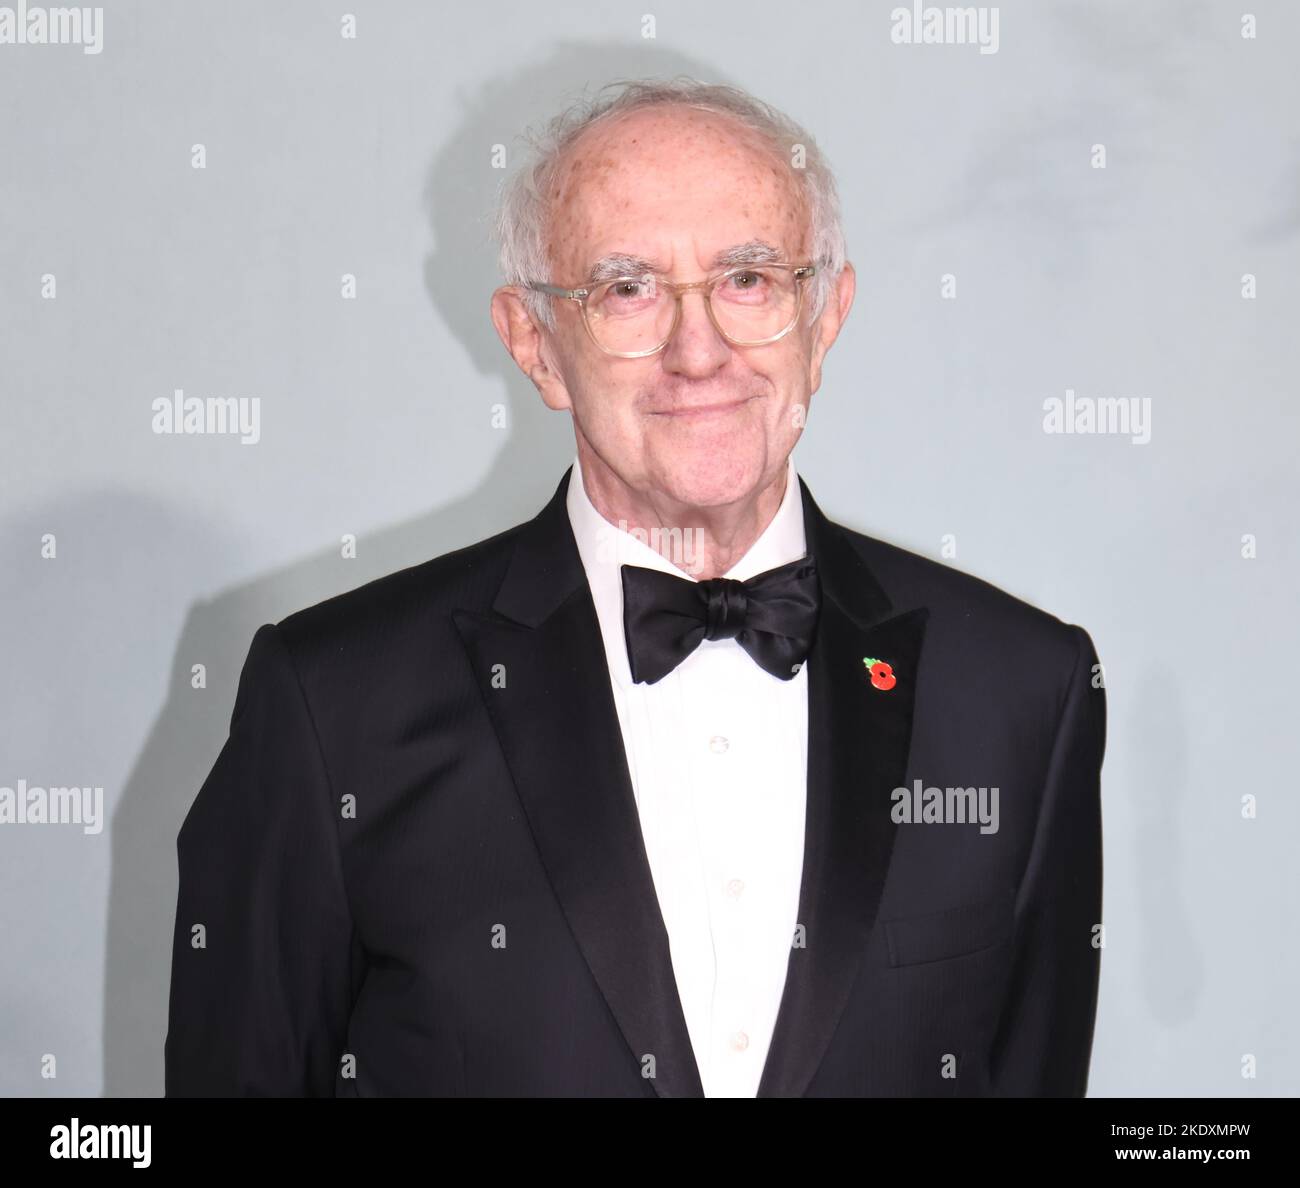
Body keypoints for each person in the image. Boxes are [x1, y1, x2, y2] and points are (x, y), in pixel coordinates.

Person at [164, 76, 1104, 1097]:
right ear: (536, 345)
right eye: (628, 289)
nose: (698, 351)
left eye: (748, 278)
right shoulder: (332, 704)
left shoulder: (1021, 690)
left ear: (823, 315)